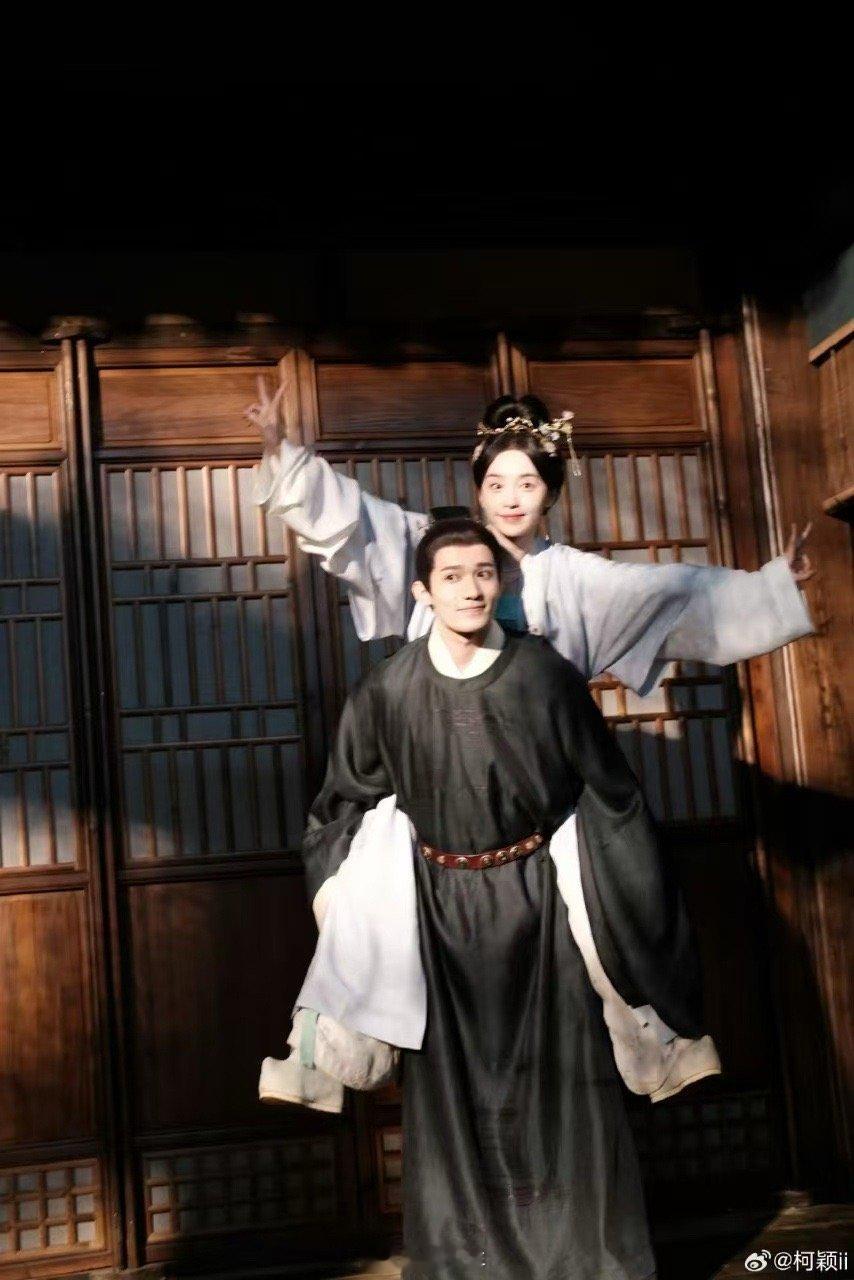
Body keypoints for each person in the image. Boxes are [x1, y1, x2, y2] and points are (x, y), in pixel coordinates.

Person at [293, 517, 712, 1279]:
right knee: (454, 1096)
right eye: (452, 576)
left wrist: (626, 891)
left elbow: (610, 793)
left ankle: (585, 1262)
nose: (471, 589)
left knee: (567, 1085)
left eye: (484, 573)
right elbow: (341, 805)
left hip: (538, 903)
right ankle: (466, 1265)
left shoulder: (543, 676)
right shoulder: (388, 689)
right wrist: (351, 900)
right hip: (436, 914)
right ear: (423, 591)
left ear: (501, 582)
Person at [245, 379, 815, 697]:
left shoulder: (577, 576)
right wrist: (281, 450)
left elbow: (675, 590)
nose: (510, 499)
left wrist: (769, 587)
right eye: (496, 484)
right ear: (479, 490)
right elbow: (357, 518)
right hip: (444, 736)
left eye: (527, 484)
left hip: (542, 749)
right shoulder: (434, 544)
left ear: (551, 493)